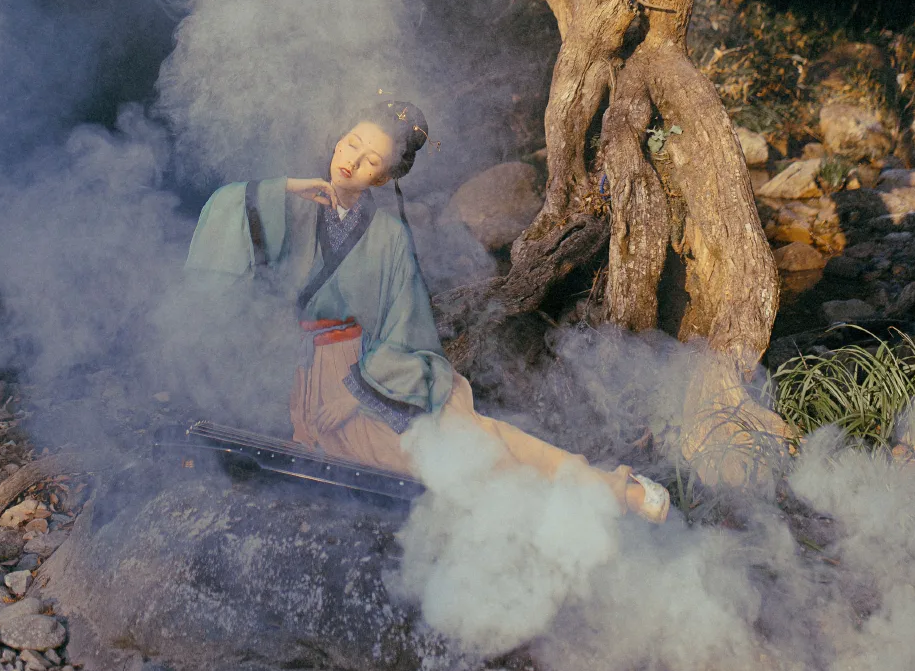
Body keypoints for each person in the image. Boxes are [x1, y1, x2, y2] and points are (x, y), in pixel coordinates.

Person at [184, 100, 669, 522]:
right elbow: (228, 208)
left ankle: (614, 493)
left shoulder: (390, 237)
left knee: (470, 450)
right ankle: (592, 506)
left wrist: (353, 396)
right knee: (454, 468)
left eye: (372, 158)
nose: (353, 161)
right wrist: (291, 186)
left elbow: (405, 333)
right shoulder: (293, 206)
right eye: (351, 143)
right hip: (304, 375)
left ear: (388, 175)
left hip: (372, 379)